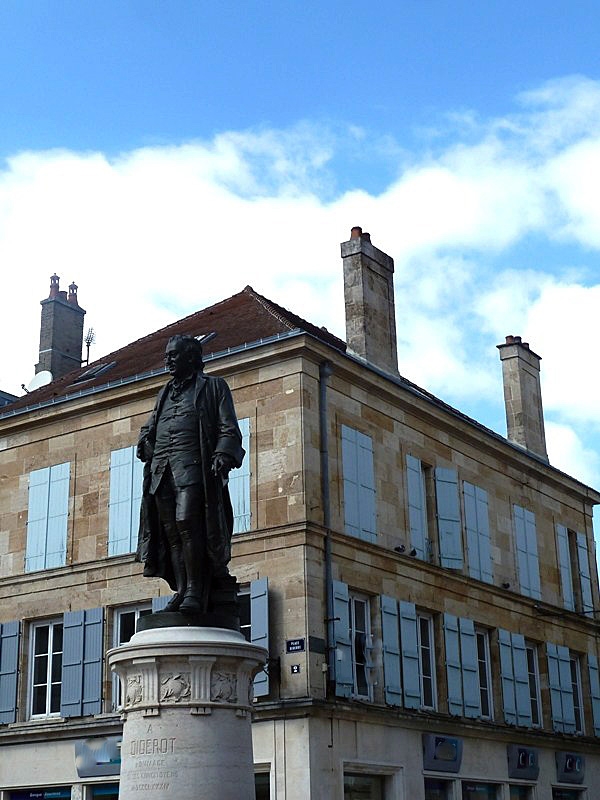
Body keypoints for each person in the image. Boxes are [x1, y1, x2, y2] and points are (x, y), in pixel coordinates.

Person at [136, 334, 245, 615]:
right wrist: (145, 441)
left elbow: (228, 427)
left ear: (191, 357)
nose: (168, 360)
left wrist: (222, 454)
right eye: (167, 355)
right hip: (162, 471)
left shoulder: (213, 387)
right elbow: (149, 427)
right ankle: (183, 590)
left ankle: (197, 590)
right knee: (171, 532)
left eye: (174, 355)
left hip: (194, 467)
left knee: (188, 524)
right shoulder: (164, 393)